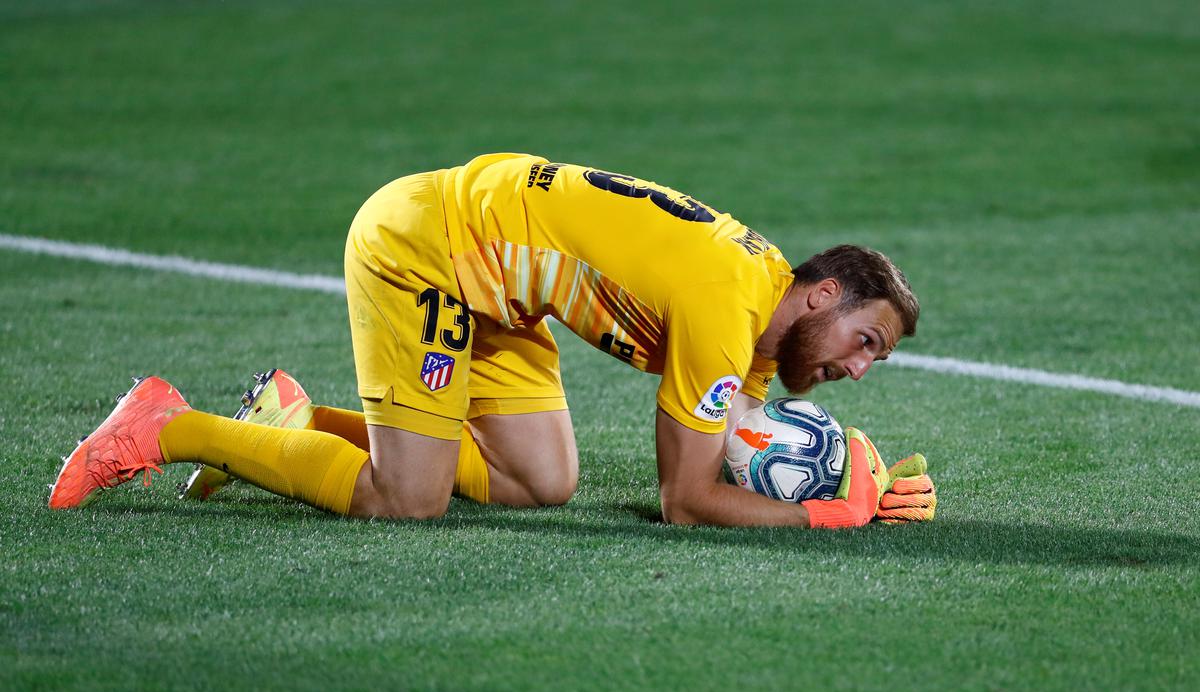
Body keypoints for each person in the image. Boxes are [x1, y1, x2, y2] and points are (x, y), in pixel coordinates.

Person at [49, 153, 936, 527]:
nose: (856, 369)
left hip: (501, 296)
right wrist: (828, 512)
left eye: (870, 360)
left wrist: (862, 469)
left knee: (538, 484)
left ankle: (293, 418)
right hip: (429, 246)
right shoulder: (722, 303)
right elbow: (687, 497)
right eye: (865, 342)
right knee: (409, 500)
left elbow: (741, 431)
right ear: (823, 293)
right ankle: (168, 427)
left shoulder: (759, 303)